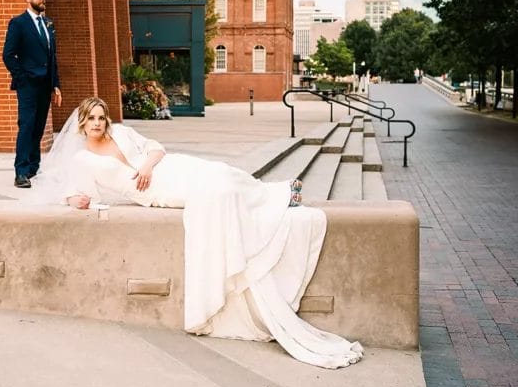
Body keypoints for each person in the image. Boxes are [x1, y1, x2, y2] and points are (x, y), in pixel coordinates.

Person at [26, 96, 363, 369]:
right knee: (214, 193)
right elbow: (73, 195)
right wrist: (77, 200)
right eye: (92, 119)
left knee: (219, 172)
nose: (98, 123)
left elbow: (157, 148)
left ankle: (278, 193)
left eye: (102, 117)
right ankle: (277, 198)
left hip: (166, 169)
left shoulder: (124, 134)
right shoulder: (83, 159)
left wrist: (146, 164)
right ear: (82, 123)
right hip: (153, 193)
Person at [2, 0, 62, 188]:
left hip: (46, 85)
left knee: (38, 128)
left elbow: (52, 57)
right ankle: (20, 172)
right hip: (28, 85)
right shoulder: (18, 23)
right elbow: (8, 55)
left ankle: (33, 169)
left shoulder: (49, 24)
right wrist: (22, 78)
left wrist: (56, 85)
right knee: (26, 126)